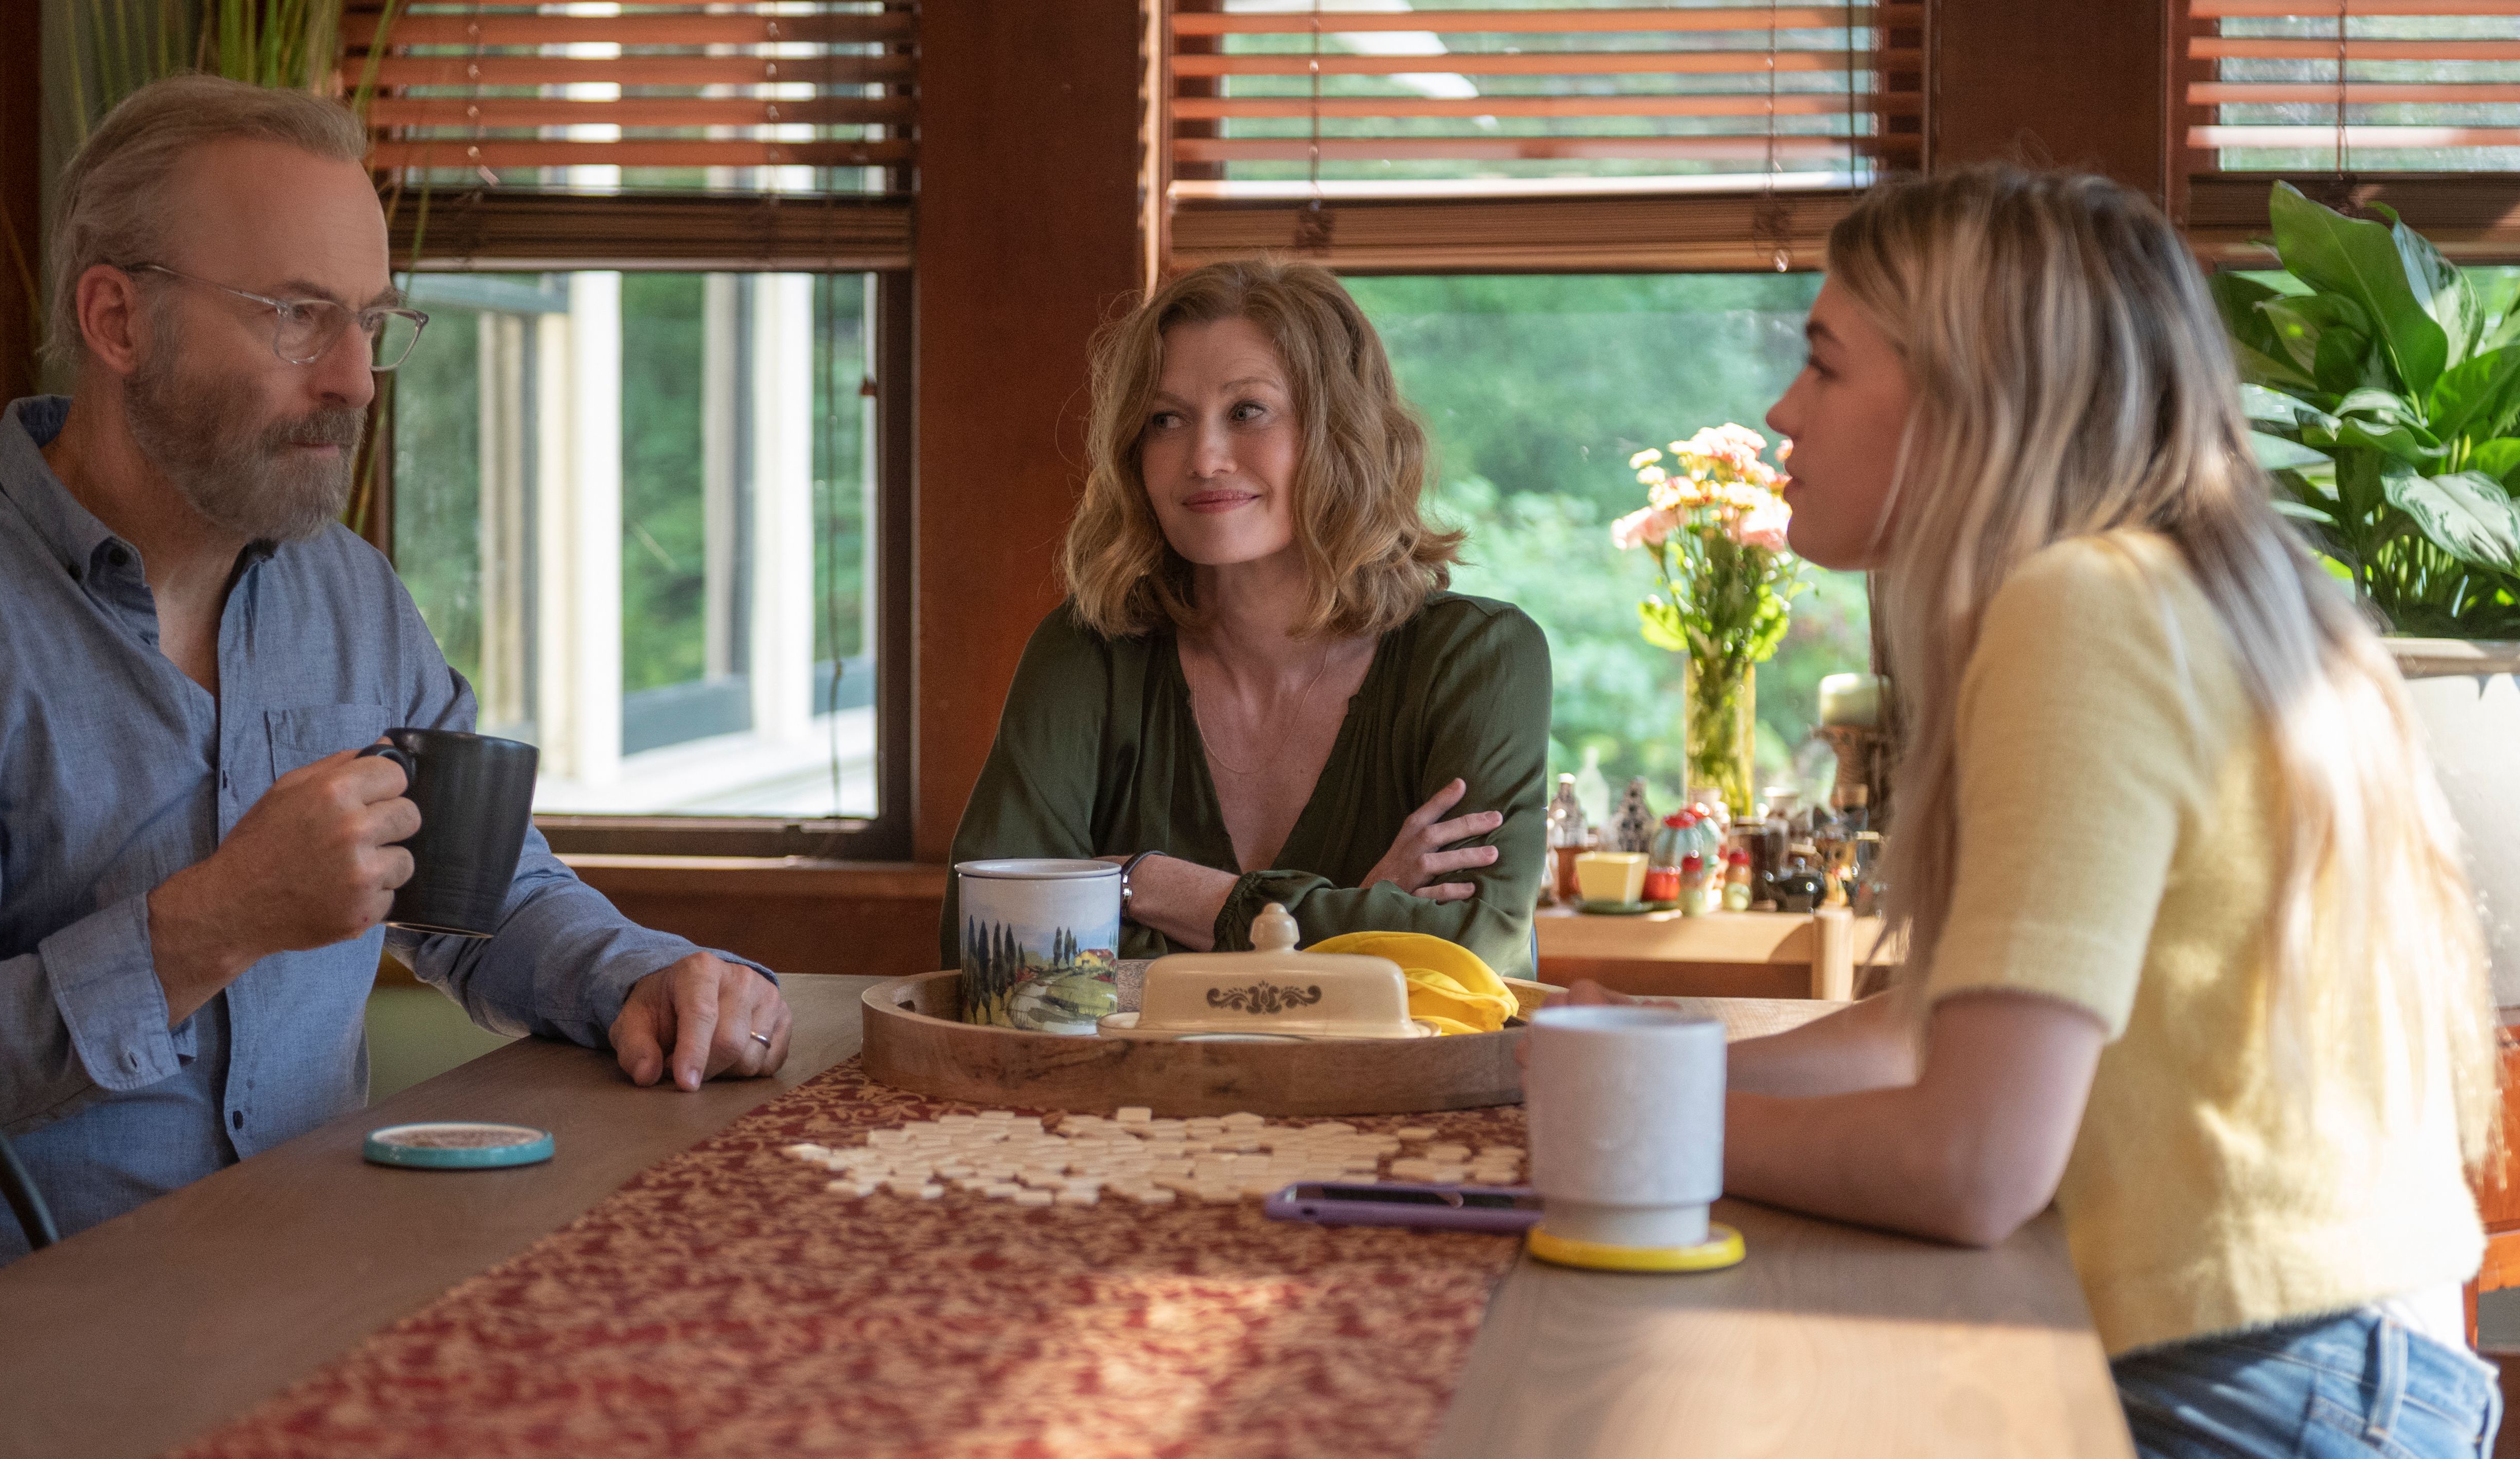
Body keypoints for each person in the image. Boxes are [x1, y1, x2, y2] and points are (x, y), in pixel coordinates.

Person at [0, 76, 791, 1304]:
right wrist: (213, 922)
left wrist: (640, 976)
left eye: (370, 322)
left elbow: (480, 891)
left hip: (309, 1278)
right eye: (298, 316)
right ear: (119, 321)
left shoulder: (351, 595)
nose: (355, 380)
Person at [1567, 165, 2502, 1456]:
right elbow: (1945, 1030)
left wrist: (1618, 1122)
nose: (1784, 409)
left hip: (2254, 1385)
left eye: (1826, 365)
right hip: (2345, 1364)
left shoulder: (2084, 608)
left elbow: (1971, 1161)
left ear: (1968, 394)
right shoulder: (2198, 589)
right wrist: (1637, 1066)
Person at [946, 259, 1548, 977]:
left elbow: (1470, 955)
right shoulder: (1088, 652)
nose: (1202, 457)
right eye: (1166, 420)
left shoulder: (1479, 658)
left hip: (1405, 1092)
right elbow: (995, 943)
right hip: (1131, 1094)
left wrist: (1151, 886)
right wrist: (1359, 914)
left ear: (1341, 431)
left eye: (1247, 411)